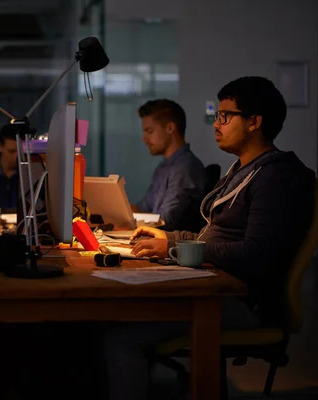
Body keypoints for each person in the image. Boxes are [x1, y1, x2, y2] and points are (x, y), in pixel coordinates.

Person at [105, 77, 315, 399]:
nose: (216, 124)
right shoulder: (243, 169)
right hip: (212, 285)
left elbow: (255, 253)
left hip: (239, 300)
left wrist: (174, 246)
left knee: (120, 335)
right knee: (116, 310)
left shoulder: (275, 176)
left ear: (254, 122)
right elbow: (212, 234)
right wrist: (168, 236)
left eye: (225, 116)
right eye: (216, 116)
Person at [132, 99, 206, 231]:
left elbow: (166, 220)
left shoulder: (186, 167)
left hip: (171, 245)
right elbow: (143, 207)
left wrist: (128, 219)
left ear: (170, 128)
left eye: (149, 131)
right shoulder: (163, 168)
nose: (144, 139)